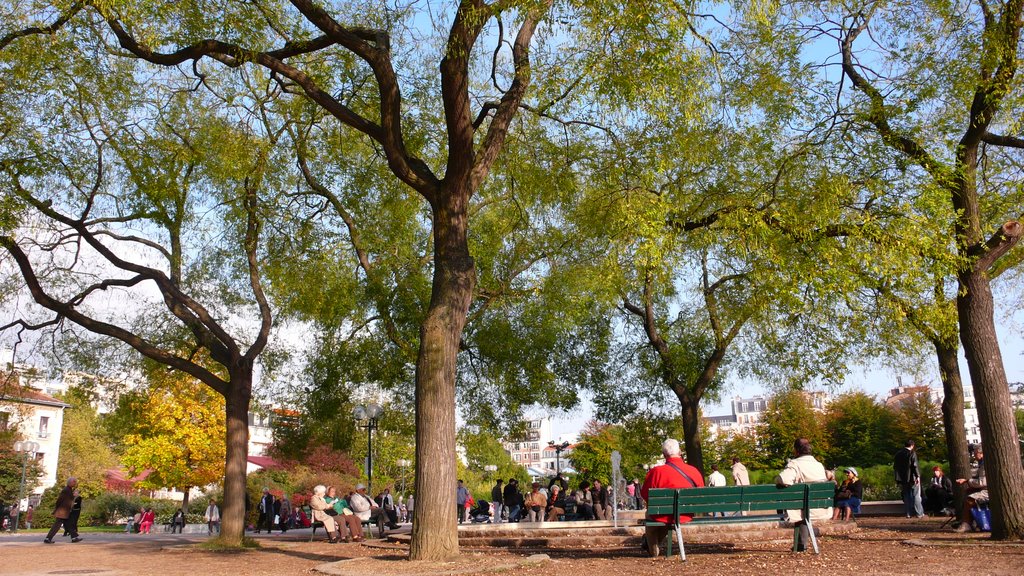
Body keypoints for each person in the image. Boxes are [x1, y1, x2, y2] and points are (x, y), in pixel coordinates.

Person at [640, 438, 705, 558]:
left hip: (662, 515)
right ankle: (651, 545)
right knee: (665, 516)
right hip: (686, 514)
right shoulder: (694, 471)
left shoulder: (656, 472)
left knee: (652, 515)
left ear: (664, 455)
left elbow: (645, 495)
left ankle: (653, 548)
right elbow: (701, 494)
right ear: (680, 452)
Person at [775, 438, 834, 551]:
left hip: (802, 507)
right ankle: (801, 544)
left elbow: (784, 479)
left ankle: (801, 545)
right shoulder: (819, 465)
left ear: (796, 451)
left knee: (800, 508)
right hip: (820, 505)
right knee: (803, 509)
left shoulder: (795, 464)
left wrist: (776, 479)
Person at [954, 447, 988, 532]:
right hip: (985, 489)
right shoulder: (982, 464)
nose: (974, 456)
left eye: (976, 453)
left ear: (982, 453)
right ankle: (968, 521)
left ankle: (967, 524)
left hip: (988, 491)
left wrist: (967, 481)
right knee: (968, 493)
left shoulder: (985, 465)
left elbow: (982, 482)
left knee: (969, 500)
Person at [44, 477, 81, 544]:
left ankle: (74, 537)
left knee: (69, 524)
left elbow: (68, 500)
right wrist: (57, 508)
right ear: (70, 482)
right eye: (74, 482)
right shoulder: (66, 490)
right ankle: (48, 538)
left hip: (65, 511)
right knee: (57, 525)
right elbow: (60, 500)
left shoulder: (68, 489)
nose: (75, 483)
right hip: (62, 511)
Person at [894, 439, 924, 518]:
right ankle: (919, 513)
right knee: (916, 495)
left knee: (907, 496)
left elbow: (895, 467)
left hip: (903, 479)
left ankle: (908, 513)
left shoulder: (898, 454)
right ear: (912, 445)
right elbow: (914, 466)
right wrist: (918, 476)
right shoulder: (912, 453)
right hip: (912, 478)